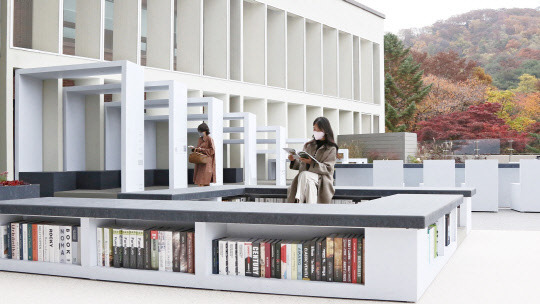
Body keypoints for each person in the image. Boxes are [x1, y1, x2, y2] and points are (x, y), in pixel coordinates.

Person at [287, 117, 338, 204]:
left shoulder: (331, 148)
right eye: (313, 128)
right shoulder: (309, 145)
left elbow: (328, 169)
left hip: (322, 179)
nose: (314, 131)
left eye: (317, 129)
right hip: (308, 179)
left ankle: (298, 203)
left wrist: (311, 163)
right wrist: (293, 160)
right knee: (309, 184)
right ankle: (312, 211)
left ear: (324, 130)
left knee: (304, 174)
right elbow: (301, 165)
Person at [190, 122, 216, 186]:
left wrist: (200, 149)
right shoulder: (200, 139)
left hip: (206, 162)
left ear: (204, 131)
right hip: (200, 161)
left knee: (205, 180)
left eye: (200, 131)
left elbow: (212, 150)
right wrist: (194, 149)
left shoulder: (209, 139)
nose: (199, 133)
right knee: (199, 181)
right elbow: (198, 149)